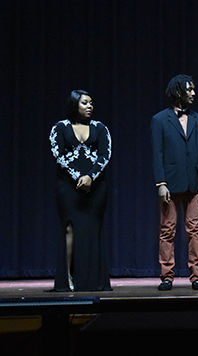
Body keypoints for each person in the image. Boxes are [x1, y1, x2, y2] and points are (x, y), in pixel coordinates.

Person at [49, 89, 112, 292]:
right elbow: (58, 155)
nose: (90, 106)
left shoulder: (100, 128)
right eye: (85, 103)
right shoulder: (59, 128)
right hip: (68, 186)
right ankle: (68, 276)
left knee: (93, 229)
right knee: (69, 229)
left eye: (91, 103)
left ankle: (93, 279)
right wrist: (78, 176)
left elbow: (105, 155)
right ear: (74, 104)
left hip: (96, 187)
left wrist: (90, 176)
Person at [151, 74, 198, 291]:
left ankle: (197, 276)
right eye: (189, 89)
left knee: (194, 229)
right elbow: (157, 154)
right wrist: (161, 183)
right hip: (170, 184)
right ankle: (167, 276)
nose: (193, 93)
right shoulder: (159, 120)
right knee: (168, 229)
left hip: (194, 182)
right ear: (177, 92)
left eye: (194, 89)